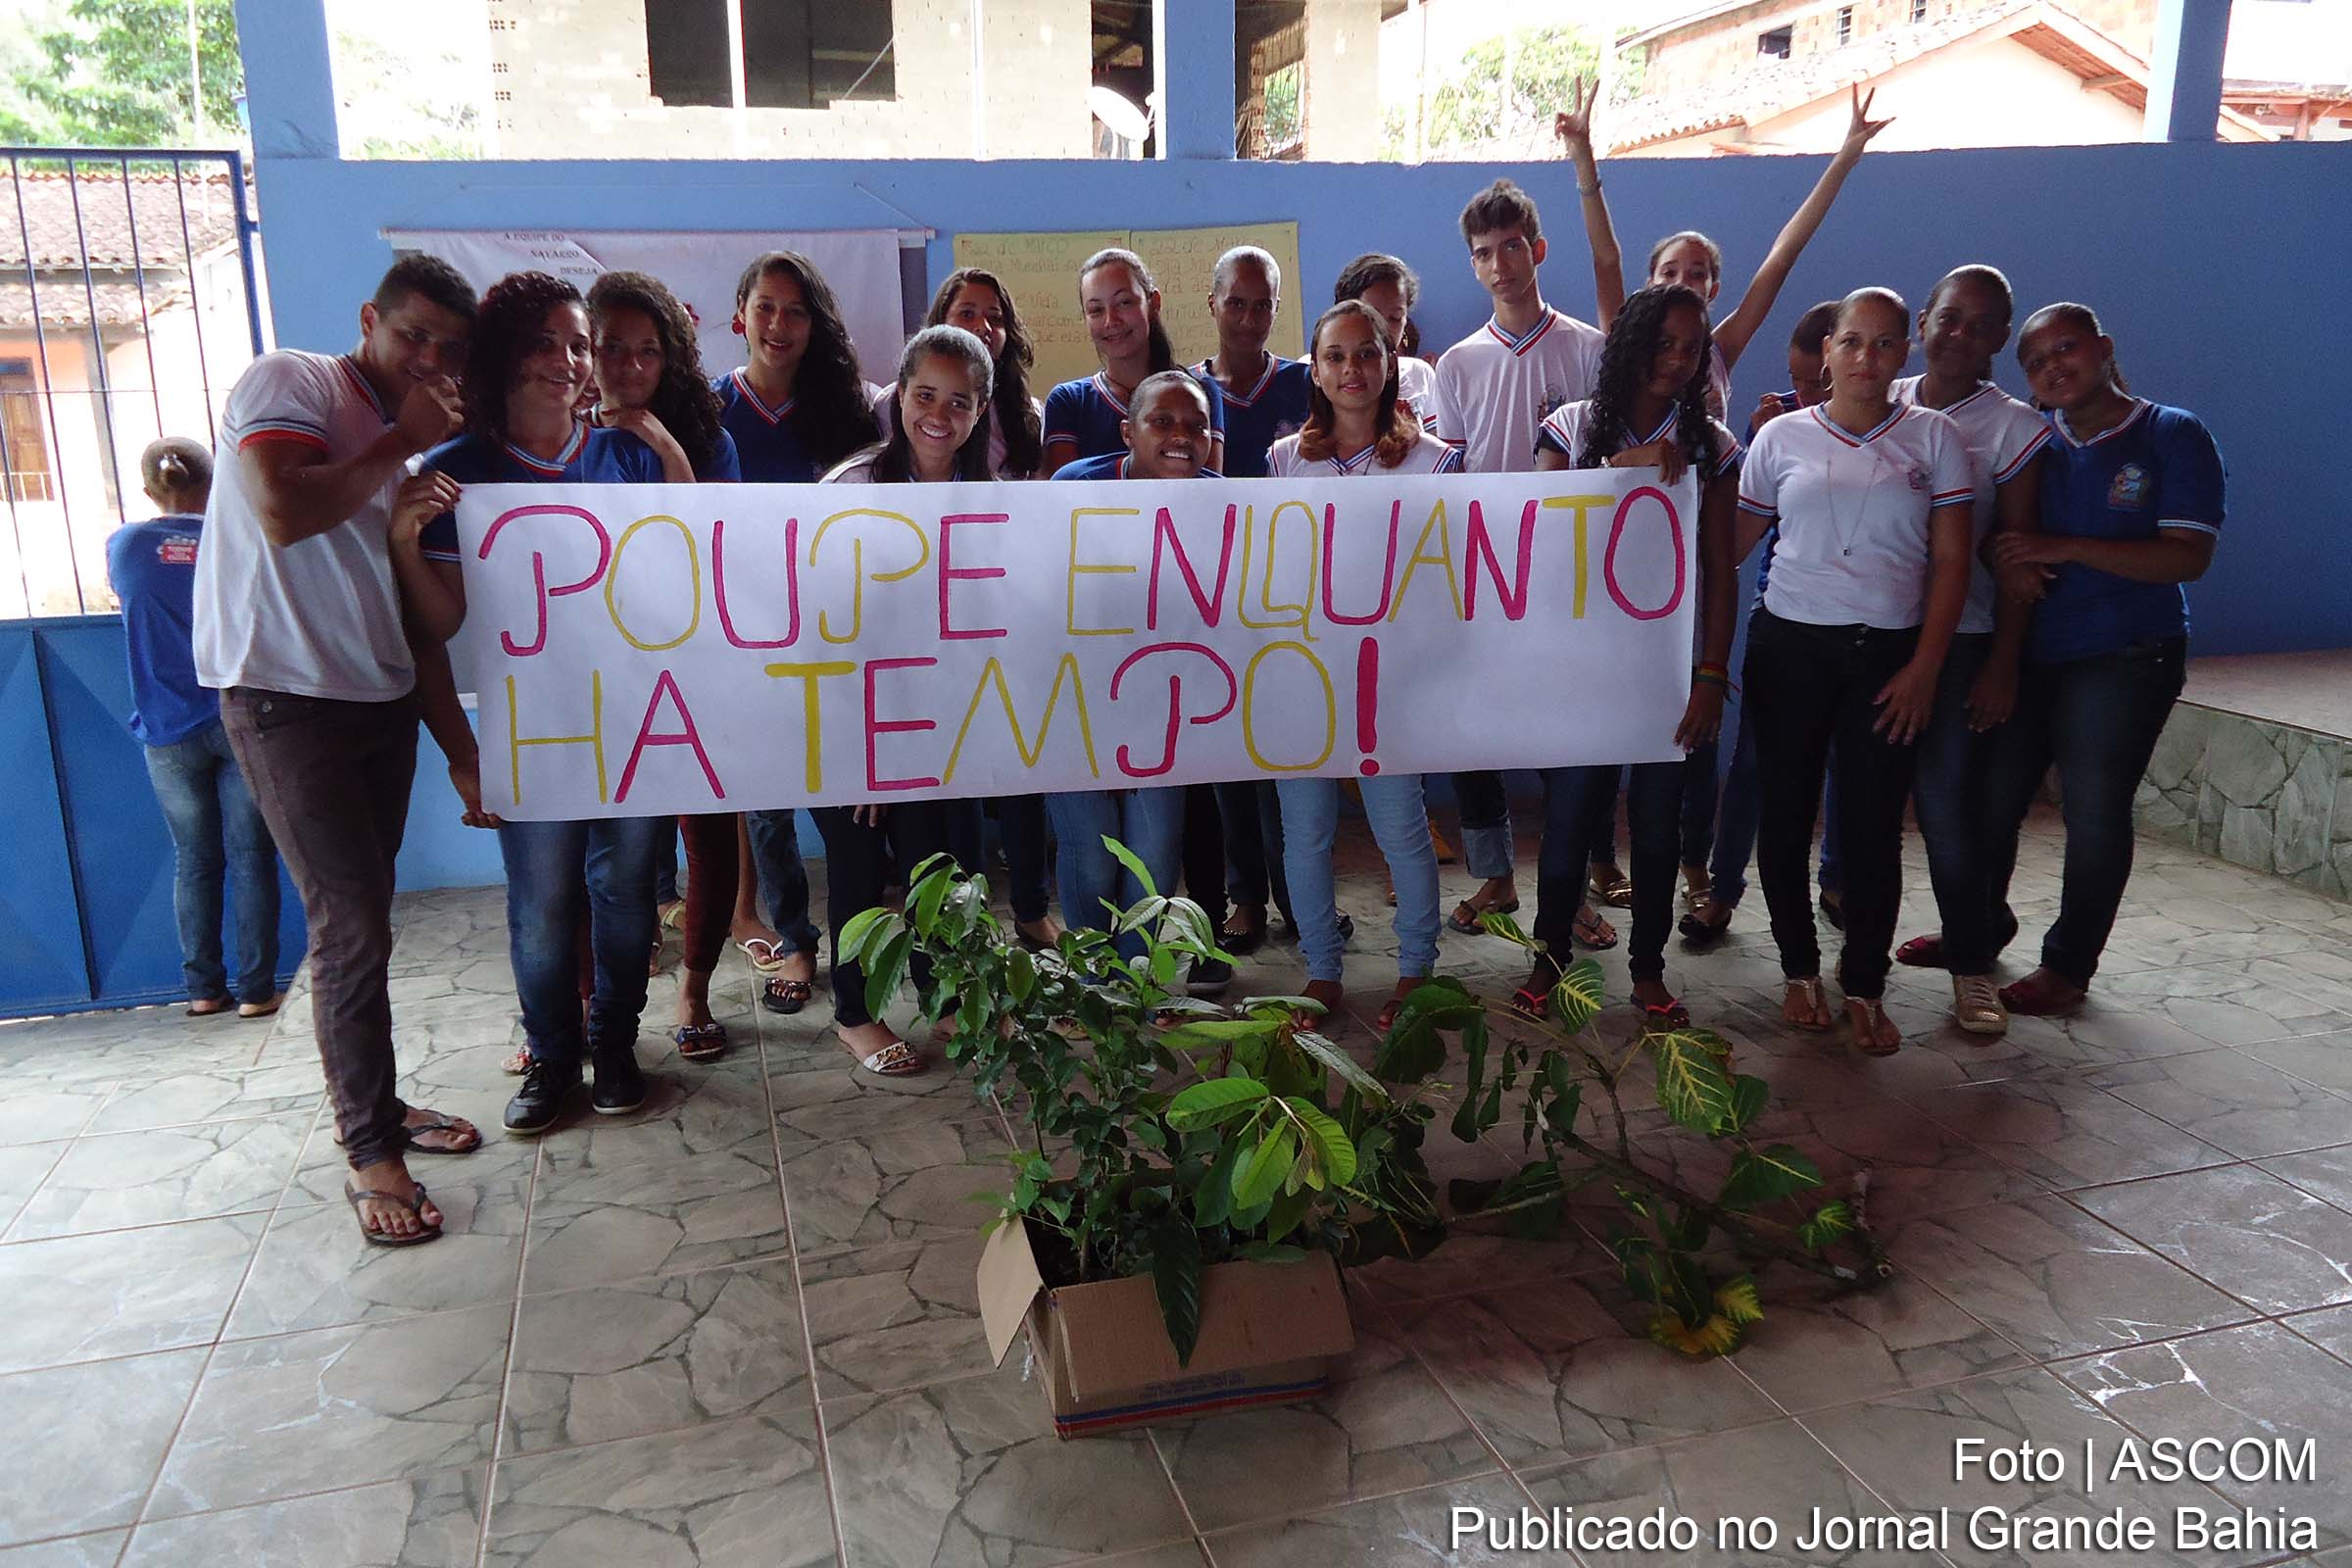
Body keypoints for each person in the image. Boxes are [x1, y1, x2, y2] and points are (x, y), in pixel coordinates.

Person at [191, 254, 481, 1247]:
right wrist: (400, 440)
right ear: (369, 320)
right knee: (350, 926)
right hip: (284, 699)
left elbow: (416, 620)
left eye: (450, 348)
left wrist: (456, 745)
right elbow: (281, 511)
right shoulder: (295, 382)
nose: (430, 360)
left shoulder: (411, 456)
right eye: (413, 337)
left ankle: (381, 1106)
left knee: (367, 922)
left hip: (377, 701)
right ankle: (370, 1150)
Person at [397, 270, 683, 1138]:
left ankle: (616, 1044)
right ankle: (553, 1057)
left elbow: (688, 576)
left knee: (627, 895)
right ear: (503, 355)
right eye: (544, 343)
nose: (567, 361)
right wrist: (403, 543)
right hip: (533, 733)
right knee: (543, 903)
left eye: (579, 345)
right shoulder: (459, 472)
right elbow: (437, 624)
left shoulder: (625, 459)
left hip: (632, 720)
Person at [1736, 287, 1975, 1055]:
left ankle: (1865, 982)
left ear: (1904, 352)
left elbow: (1952, 560)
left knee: (1873, 831)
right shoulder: (1780, 438)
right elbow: (1728, 544)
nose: (1866, 357)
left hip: (1890, 659)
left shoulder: (1935, 437)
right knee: (1785, 816)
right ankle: (1799, 970)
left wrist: (1926, 666)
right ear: (1827, 352)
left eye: (1884, 343)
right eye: (1852, 342)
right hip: (1789, 649)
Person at [1976, 304, 2224, 1017]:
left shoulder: (2170, 433)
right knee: (1992, 798)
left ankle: (2067, 965)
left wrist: (2066, 547)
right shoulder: (2034, 440)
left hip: (2126, 654)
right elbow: (1997, 531)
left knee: (2092, 811)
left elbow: (2188, 556)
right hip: (2033, 651)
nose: (2053, 367)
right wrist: (2008, 558)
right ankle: (1977, 930)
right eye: (2036, 362)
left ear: (2104, 348)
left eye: (2066, 348)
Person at [1529, 285, 1740, 1028]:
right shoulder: (1570, 427)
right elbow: (1543, 534)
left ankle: (1648, 970)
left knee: (1656, 830)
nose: (1676, 360)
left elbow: (1720, 570)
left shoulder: (1712, 445)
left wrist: (1710, 675)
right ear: (1629, 343)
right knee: (1569, 822)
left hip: (1664, 673)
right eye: (1662, 343)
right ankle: (1548, 957)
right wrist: (1627, 466)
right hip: (1582, 669)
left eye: (1691, 348)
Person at [807, 324, 1001, 1073]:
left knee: (938, 873)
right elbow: (822, 629)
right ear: (899, 395)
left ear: (981, 411)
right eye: (925, 395)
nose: (939, 415)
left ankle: (945, 1001)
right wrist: (867, 752)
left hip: (939, 726)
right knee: (858, 871)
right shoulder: (850, 489)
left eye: (960, 402)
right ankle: (854, 1014)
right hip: (852, 726)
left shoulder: (991, 501)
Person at [1430, 176, 1612, 952]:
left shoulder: (1589, 349)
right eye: (1484, 253)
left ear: (1537, 249)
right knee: (1473, 733)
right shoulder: (1458, 365)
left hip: (1568, 580)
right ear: (1472, 265)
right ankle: (1496, 875)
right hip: (1481, 577)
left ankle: (1568, 890)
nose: (1500, 264)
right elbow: (1449, 475)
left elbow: (1608, 464)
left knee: (1568, 738)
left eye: (1511, 247)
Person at [1265, 301, 1455, 1029]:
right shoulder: (1285, 461)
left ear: (1391, 361)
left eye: (1367, 353)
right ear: (1315, 371)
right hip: (1303, 677)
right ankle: (1321, 970)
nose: (1352, 369)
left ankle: (1416, 970)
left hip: (1393, 682)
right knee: (1306, 833)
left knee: (1401, 828)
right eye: (1336, 356)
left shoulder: (1434, 460)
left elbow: (1451, 576)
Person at [1885, 266, 2052, 1035]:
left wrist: (2002, 664)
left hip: (1963, 641)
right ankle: (1863, 959)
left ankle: (1972, 967)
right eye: (1950, 318)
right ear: (1923, 320)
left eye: (1982, 326)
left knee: (1947, 804)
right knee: (1872, 802)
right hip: (1876, 631)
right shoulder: (1882, 393)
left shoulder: (2013, 428)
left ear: (2000, 340)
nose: (1961, 335)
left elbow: (2016, 558)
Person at [586, 269, 748, 1062]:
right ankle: (593, 1009)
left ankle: (696, 991)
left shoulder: (708, 440)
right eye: (611, 347)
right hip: (598, 672)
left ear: (671, 357)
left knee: (708, 835)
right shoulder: (557, 437)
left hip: (693, 663)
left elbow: (709, 545)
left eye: (647, 350)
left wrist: (660, 442)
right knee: (609, 851)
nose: (628, 366)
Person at [717, 251, 877, 1020]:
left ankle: (860, 946)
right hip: (740, 633)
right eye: (766, 307)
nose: (779, 324)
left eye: (797, 311)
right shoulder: (707, 408)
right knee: (765, 802)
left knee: (842, 796)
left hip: (828, 632)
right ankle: (793, 938)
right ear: (740, 316)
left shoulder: (843, 412)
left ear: (815, 325)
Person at [1555, 78, 1891, 416]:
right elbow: (1606, 258)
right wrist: (1583, 158)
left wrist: (1844, 159)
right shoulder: (1624, 342)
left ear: (1712, 290)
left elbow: (1782, 256)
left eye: (1696, 273)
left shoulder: (1719, 351)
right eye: (1669, 272)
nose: (1681, 281)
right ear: (1649, 284)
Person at [1048, 369, 1218, 977]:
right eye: (1162, 421)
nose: (1181, 436)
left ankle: (1138, 979)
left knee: (1153, 853)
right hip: (1075, 705)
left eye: (1197, 425)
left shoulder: (1226, 505)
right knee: (1091, 855)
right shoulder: (1075, 487)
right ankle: (1091, 982)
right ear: (1128, 432)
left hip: (1165, 715)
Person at [1682, 301, 1842, 946]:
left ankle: (1837, 880)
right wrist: (1756, 445)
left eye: (1816, 381)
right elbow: (1739, 536)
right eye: (1796, 379)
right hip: (1784, 612)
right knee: (1750, 763)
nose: (1805, 393)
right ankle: (1723, 890)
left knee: (1847, 764)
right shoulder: (1781, 431)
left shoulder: (1902, 430)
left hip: (1869, 627)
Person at [109, 437, 282, 1021]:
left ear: (148, 490)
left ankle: (203, 990)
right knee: (252, 856)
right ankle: (257, 991)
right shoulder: (235, 537)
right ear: (214, 483)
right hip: (238, 717)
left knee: (196, 860)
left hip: (167, 730)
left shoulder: (126, 546)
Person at [924, 266, 1061, 952]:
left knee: (1020, 763)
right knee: (955, 774)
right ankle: (965, 924)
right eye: (967, 312)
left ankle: (1031, 908)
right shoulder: (903, 402)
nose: (982, 326)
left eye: (995, 316)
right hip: (935, 616)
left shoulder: (1024, 410)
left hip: (1009, 613)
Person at [1040, 247, 1226, 477]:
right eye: (1096, 310)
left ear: (1153, 303)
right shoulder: (1069, 400)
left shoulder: (1198, 392)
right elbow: (1065, 494)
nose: (1111, 320)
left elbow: (1204, 487)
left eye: (1124, 303)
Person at [1334, 252, 1440, 432]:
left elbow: (1435, 444)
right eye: (1371, 315)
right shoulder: (1318, 373)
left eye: (1395, 318)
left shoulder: (1418, 374)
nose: (1383, 328)